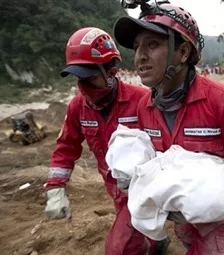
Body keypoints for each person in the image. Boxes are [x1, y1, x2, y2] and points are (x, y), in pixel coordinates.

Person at [114, 2, 224, 254]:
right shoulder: (145, 106)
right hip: (181, 217)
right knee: (188, 240)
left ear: (184, 52)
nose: (139, 56)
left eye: (152, 44)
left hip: (218, 220)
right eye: (136, 47)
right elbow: (157, 161)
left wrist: (215, 200)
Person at [44, 27, 167, 255]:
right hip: (114, 189)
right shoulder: (77, 107)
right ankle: (156, 244)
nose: (84, 87)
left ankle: (153, 241)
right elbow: (66, 147)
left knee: (119, 249)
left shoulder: (141, 100)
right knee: (136, 232)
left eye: (90, 79)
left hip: (142, 187)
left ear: (111, 72)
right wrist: (55, 188)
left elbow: (164, 145)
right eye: (79, 79)